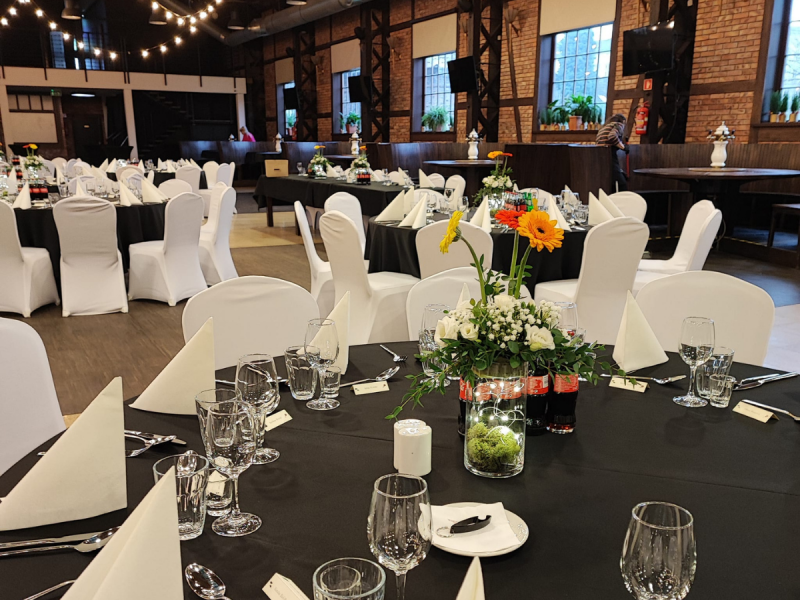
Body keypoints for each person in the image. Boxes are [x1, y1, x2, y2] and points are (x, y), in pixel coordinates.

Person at [595, 113, 629, 191]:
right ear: (623, 121)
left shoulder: (603, 128)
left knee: (611, 183)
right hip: (609, 154)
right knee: (622, 184)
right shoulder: (618, 125)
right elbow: (612, 136)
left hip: (600, 156)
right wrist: (623, 147)